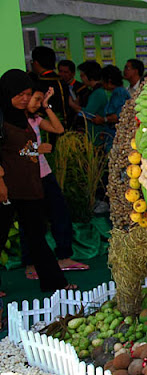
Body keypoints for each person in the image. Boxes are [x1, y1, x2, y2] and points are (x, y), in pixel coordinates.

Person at [0, 69, 76, 293]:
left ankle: (55, 284)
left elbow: (20, 152)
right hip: (6, 189)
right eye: (19, 94)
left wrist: (34, 149)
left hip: (29, 186)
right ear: (7, 92)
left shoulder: (24, 117)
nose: (25, 99)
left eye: (28, 94)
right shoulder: (2, 117)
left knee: (37, 238)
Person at [22, 80, 90, 280]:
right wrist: (36, 150)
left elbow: (58, 129)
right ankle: (30, 264)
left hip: (44, 173)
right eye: (35, 99)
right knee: (32, 221)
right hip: (26, 178)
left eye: (39, 99)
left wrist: (46, 106)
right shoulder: (14, 122)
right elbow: (12, 152)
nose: (36, 102)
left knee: (60, 212)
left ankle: (64, 257)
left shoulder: (35, 119)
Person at [31, 46, 72, 129]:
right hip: (67, 124)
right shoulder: (62, 81)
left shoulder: (39, 82)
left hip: (48, 126)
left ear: (36, 63)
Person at [97, 65, 130, 150]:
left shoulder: (119, 93)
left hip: (117, 139)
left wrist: (103, 119)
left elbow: (119, 115)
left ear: (109, 81)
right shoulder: (116, 93)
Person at [72, 61, 108, 140]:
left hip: (96, 133)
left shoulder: (98, 93)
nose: (81, 79)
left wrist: (73, 106)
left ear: (90, 76)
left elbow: (87, 113)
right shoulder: (98, 91)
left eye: (82, 76)